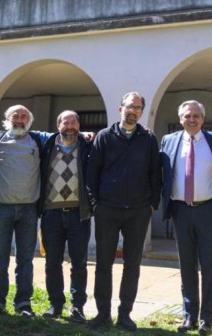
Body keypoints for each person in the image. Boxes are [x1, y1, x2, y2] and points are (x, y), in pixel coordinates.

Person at [86, 92, 161, 332]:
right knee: (103, 264)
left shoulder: (148, 138)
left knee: (132, 265)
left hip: (139, 211)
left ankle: (125, 315)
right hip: (107, 209)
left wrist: (152, 204)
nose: (134, 111)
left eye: (138, 108)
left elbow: (155, 173)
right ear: (121, 109)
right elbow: (92, 173)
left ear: (141, 112)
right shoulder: (105, 137)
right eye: (130, 106)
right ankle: (102, 314)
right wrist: (96, 204)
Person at [159, 100, 212, 335]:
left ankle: (207, 319)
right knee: (187, 265)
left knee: (209, 265)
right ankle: (189, 316)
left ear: (203, 118)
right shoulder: (168, 141)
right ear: (180, 119)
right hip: (180, 210)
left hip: (209, 210)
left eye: (196, 116)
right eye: (187, 116)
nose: (191, 119)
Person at [0, 105, 51, 319]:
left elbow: (62, 134)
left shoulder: (38, 139)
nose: (19, 120)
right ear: (7, 118)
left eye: (24, 116)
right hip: (1, 209)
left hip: (29, 210)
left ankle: (23, 303)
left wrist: (85, 134)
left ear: (29, 120)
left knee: (25, 260)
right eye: (15, 116)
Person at [37, 110, 92, 324]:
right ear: (58, 125)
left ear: (79, 125)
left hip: (79, 214)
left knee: (79, 263)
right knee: (52, 263)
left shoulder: (88, 146)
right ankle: (55, 305)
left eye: (74, 122)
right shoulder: (47, 144)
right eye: (65, 122)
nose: (70, 126)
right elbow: (20, 129)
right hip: (51, 214)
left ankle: (77, 307)